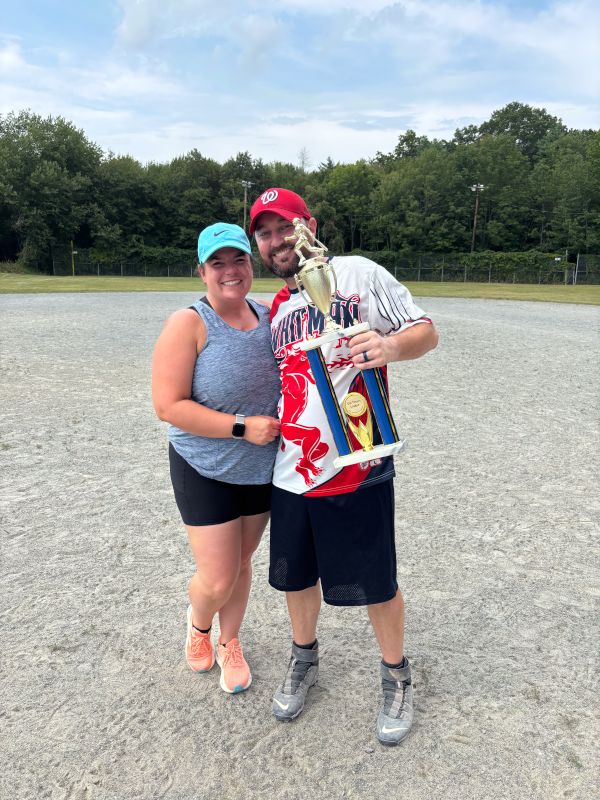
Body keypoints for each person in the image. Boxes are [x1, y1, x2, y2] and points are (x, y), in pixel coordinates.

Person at [249, 188, 438, 744]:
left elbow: (426, 330)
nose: (277, 240)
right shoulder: (279, 308)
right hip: (293, 466)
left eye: (285, 226)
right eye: (265, 232)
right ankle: (304, 659)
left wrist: (390, 348)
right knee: (296, 576)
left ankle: (397, 674)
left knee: (376, 580)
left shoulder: (358, 273)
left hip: (358, 456)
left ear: (308, 224)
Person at [152, 222, 281, 694]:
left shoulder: (271, 319)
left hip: (260, 470)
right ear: (202, 271)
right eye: (218, 263)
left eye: (239, 260)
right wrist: (242, 427)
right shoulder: (189, 323)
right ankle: (199, 622)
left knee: (243, 561)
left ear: (251, 264)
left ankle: (230, 642)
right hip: (203, 466)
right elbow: (169, 406)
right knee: (218, 575)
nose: (230, 271)